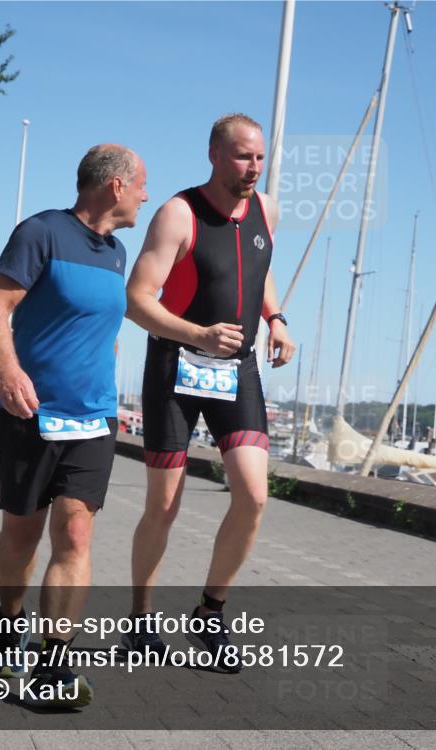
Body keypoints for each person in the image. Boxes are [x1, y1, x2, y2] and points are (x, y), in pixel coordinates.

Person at [0, 144, 147, 709]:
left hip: (93, 420)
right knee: (20, 537)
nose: (148, 196)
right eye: (142, 185)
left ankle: (54, 663)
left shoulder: (117, 253)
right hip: (30, 414)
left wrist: (104, 386)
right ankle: (9, 616)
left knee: (75, 534)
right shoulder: (41, 233)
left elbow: (101, 328)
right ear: (116, 186)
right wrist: (7, 370)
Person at [125, 113, 294, 670]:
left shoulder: (266, 208)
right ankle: (141, 619)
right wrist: (198, 333)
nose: (254, 167)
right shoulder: (178, 213)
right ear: (215, 156)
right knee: (164, 506)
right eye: (244, 156)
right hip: (176, 366)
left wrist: (276, 318)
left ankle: (209, 611)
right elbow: (137, 299)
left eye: (260, 157)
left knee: (254, 494)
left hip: (237, 369)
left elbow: (260, 265)